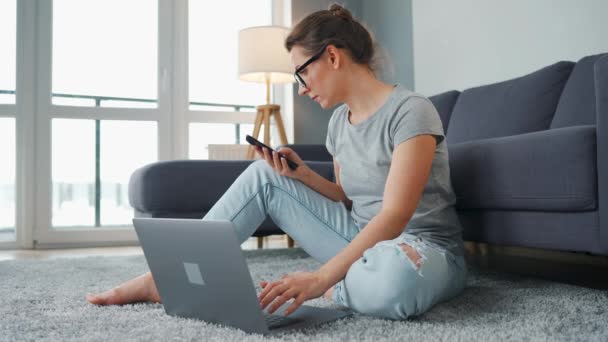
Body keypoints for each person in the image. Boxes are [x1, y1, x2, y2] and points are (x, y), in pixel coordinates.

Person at [86, 4, 467, 320]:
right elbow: (351, 198)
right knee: (263, 174)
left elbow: (394, 215)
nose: (301, 89)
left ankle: (346, 282)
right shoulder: (339, 123)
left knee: (391, 288)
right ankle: (164, 278)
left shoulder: (412, 112)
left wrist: (319, 280)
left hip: (422, 248)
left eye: (302, 72)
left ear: (332, 56)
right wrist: (301, 175)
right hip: (360, 241)